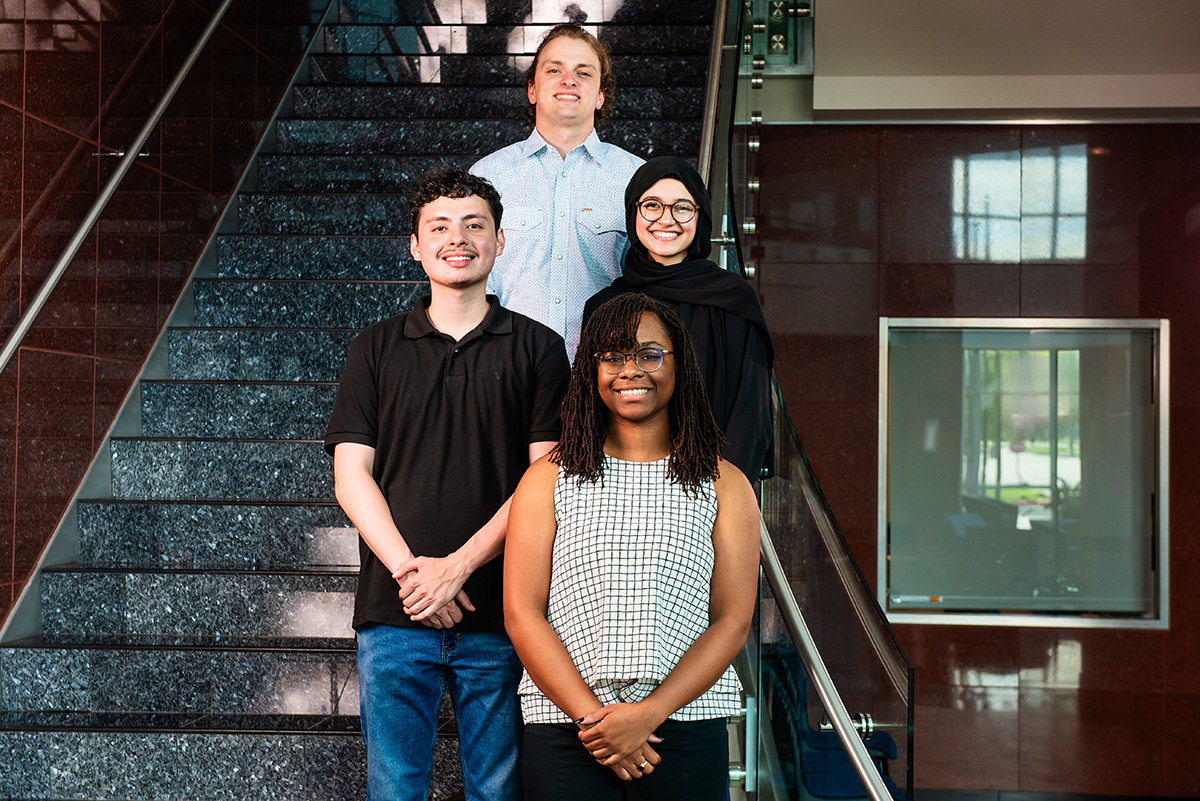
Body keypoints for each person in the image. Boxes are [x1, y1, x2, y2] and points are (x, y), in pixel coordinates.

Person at [324, 168, 570, 801]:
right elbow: (352, 478)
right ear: (415, 245)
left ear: (500, 241)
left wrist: (457, 568)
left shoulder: (539, 349)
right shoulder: (374, 349)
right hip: (394, 612)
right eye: (439, 226)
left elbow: (546, 479)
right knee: (395, 787)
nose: (457, 238)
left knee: (497, 789)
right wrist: (416, 575)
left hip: (501, 613)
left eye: (474, 225)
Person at [504, 293, 760, 799]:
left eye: (649, 354)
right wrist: (597, 722)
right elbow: (521, 612)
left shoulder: (725, 483)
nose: (631, 371)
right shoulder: (546, 479)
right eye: (613, 357)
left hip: (683, 725)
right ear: (592, 370)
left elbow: (732, 620)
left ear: (678, 364)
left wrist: (645, 716)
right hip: (568, 728)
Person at [582, 156, 774, 482]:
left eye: (682, 208)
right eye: (652, 205)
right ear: (633, 213)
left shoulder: (733, 300)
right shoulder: (605, 306)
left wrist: (721, 493)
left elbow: (751, 415)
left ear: (701, 217)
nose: (666, 220)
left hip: (713, 487)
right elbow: (589, 408)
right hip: (622, 485)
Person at [471, 22, 644, 361]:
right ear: (532, 89)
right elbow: (469, 279)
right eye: (555, 70)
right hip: (509, 374)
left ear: (600, 95)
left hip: (605, 376)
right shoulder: (488, 176)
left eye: (584, 72)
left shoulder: (636, 177)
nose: (569, 80)